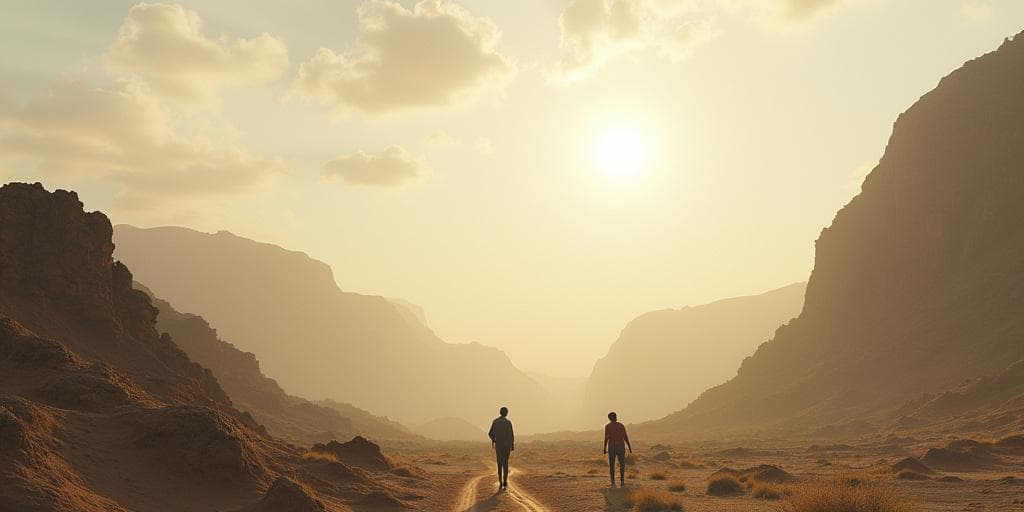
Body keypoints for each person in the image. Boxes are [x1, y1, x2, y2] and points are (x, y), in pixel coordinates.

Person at [488, 406, 515, 490]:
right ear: (506, 413)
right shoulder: (508, 423)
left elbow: (490, 433)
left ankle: (500, 482)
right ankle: (505, 481)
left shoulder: (495, 422)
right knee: (505, 463)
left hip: (499, 445)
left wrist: (494, 440)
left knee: (499, 464)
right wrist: (512, 445)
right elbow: (511, 435)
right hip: (506, 446)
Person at [603, 411, 632, 487]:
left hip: (612, 447)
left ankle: (613, 482)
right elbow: (625, 437)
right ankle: (622, 482)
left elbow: (606, 438)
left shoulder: (608, 426)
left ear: (609, 418)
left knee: (612, 465)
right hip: (621, 446)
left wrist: (604, 448)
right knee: (622, 464)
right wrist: (629, 447)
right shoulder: (621, 425)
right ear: (615, 417)